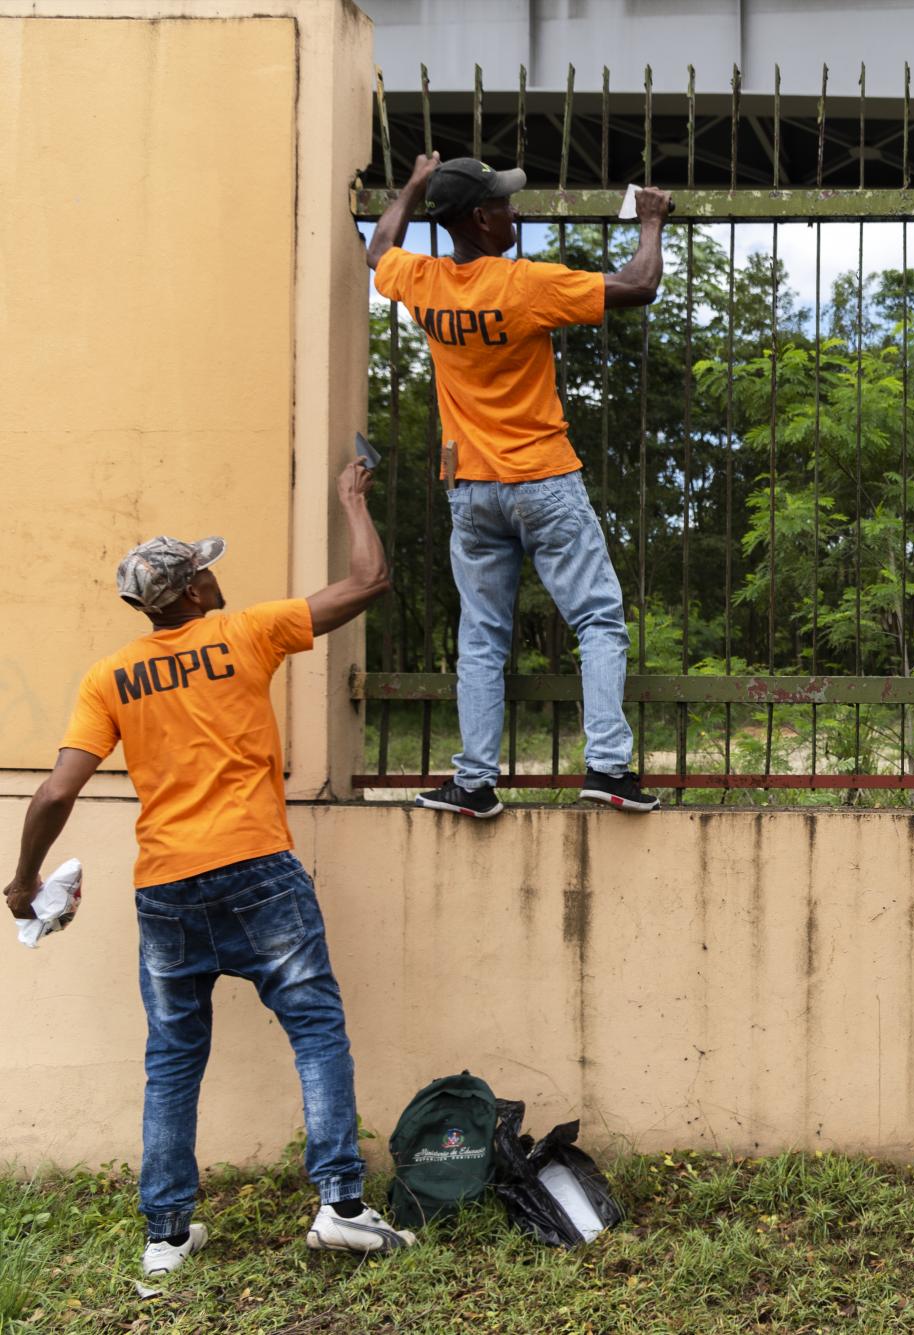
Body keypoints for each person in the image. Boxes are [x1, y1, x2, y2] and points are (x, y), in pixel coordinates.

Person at [4, 463, 415, 1274]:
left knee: (172, 1055)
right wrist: (352, 500)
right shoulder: (246, 632)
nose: (215, 574)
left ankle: (166, 1238)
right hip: (258, 866)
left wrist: (22, 882)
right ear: (191, 592)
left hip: (165, 887)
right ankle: (339, 1205)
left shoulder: (108, 677)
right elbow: (372, 580)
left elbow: (55, 790)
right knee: (316, 1029)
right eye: (205, 568)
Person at [368, 153, 674, 818]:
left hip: (470, 488)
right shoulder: (524, 285)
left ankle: (474, 783)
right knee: (597, 618)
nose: (516, 211)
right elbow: (639, 285)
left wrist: (413, 187)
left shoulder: (420, 280)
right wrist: (651, 222)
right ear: (480, 217)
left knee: (481, 635)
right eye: (504, 203)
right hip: (542, 477)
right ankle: (606, 766)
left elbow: (379, 247)